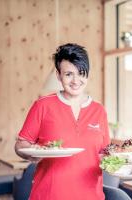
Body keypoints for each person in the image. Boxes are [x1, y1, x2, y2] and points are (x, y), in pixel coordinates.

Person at [14, 43, 110, 200]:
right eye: (68, 74)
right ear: (58, 75)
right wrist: (32, 154)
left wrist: (121, 162)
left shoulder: (99, 110)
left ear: (88, 75)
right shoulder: (42, 105)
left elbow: (104, 153)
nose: (75, 80)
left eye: (81, 73)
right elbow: (20, 145)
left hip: (91, 196)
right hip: (48, 195)